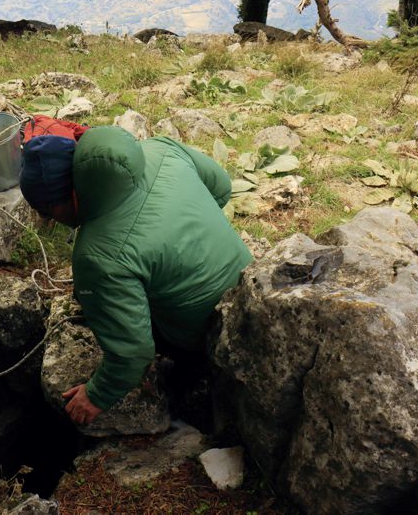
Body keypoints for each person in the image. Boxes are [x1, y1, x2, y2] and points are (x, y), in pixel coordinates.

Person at [19, 122, 253, 426]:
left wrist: (97, 395)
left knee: (119, 312)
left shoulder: (97, 255)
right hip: (249, 283)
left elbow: (133, 352)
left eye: (47, 214)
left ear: (62, 200)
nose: (50, 222)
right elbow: (221, 186)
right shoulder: (161, 148)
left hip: (207, 333)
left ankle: (188, 390)